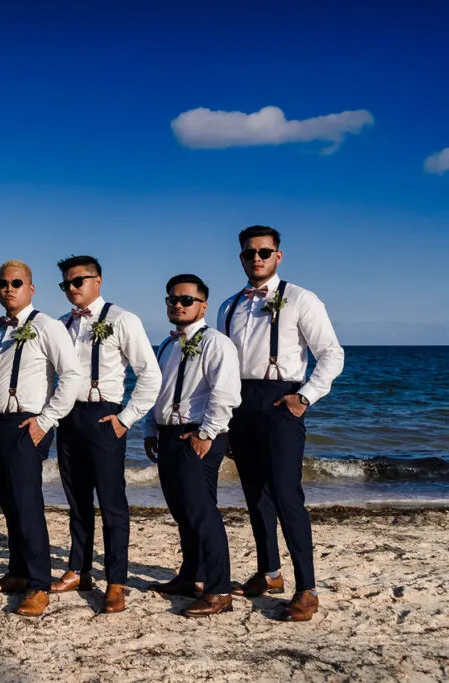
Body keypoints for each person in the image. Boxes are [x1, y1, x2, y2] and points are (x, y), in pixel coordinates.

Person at [218, 225, 344, 622]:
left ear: (278, 255)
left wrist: (304, 396)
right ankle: (270, 572)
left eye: (264, 252)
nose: (257, 258)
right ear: (241, 257)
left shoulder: (301, 298)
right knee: (255, 494)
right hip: (239, 404)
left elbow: (332, 353)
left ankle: (307, 588)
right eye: (249, 253)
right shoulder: (228, 305)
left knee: (288, 495)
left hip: (281, 402)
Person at [52, 255, 161, 613]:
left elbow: (150, 375)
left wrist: (125, 418)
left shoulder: (122, 319)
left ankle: (116, 581)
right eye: (66, 283)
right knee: (77, 501)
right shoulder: (60, 324)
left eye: (78, 281)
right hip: (68, 419)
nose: (71, 288)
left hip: (104, 416)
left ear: (97, 281)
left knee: (112, 505)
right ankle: (78, 569)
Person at [0, 260, 81, 617]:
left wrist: (46, 421)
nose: (9, 288)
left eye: (16, 283)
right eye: (3, 283)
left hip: (27, 424)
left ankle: (38, 585)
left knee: (28, 506)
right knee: (9, 505)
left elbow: (71, 377)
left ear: (31, 288)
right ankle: (18, 573)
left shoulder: (47, 326)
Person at [143, 274, 241, 617]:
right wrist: (150, 428)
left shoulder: (217, 343)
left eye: (186, 300)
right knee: (182, 512)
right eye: (172, 299)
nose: (178, 305)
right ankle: (191, 576)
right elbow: (158, 391)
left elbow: (225, 393)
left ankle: (218, 590)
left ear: (203, 305)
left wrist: (207, 433)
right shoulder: (166, 345)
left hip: (196, 437)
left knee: (203, 514)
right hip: (168, 436)